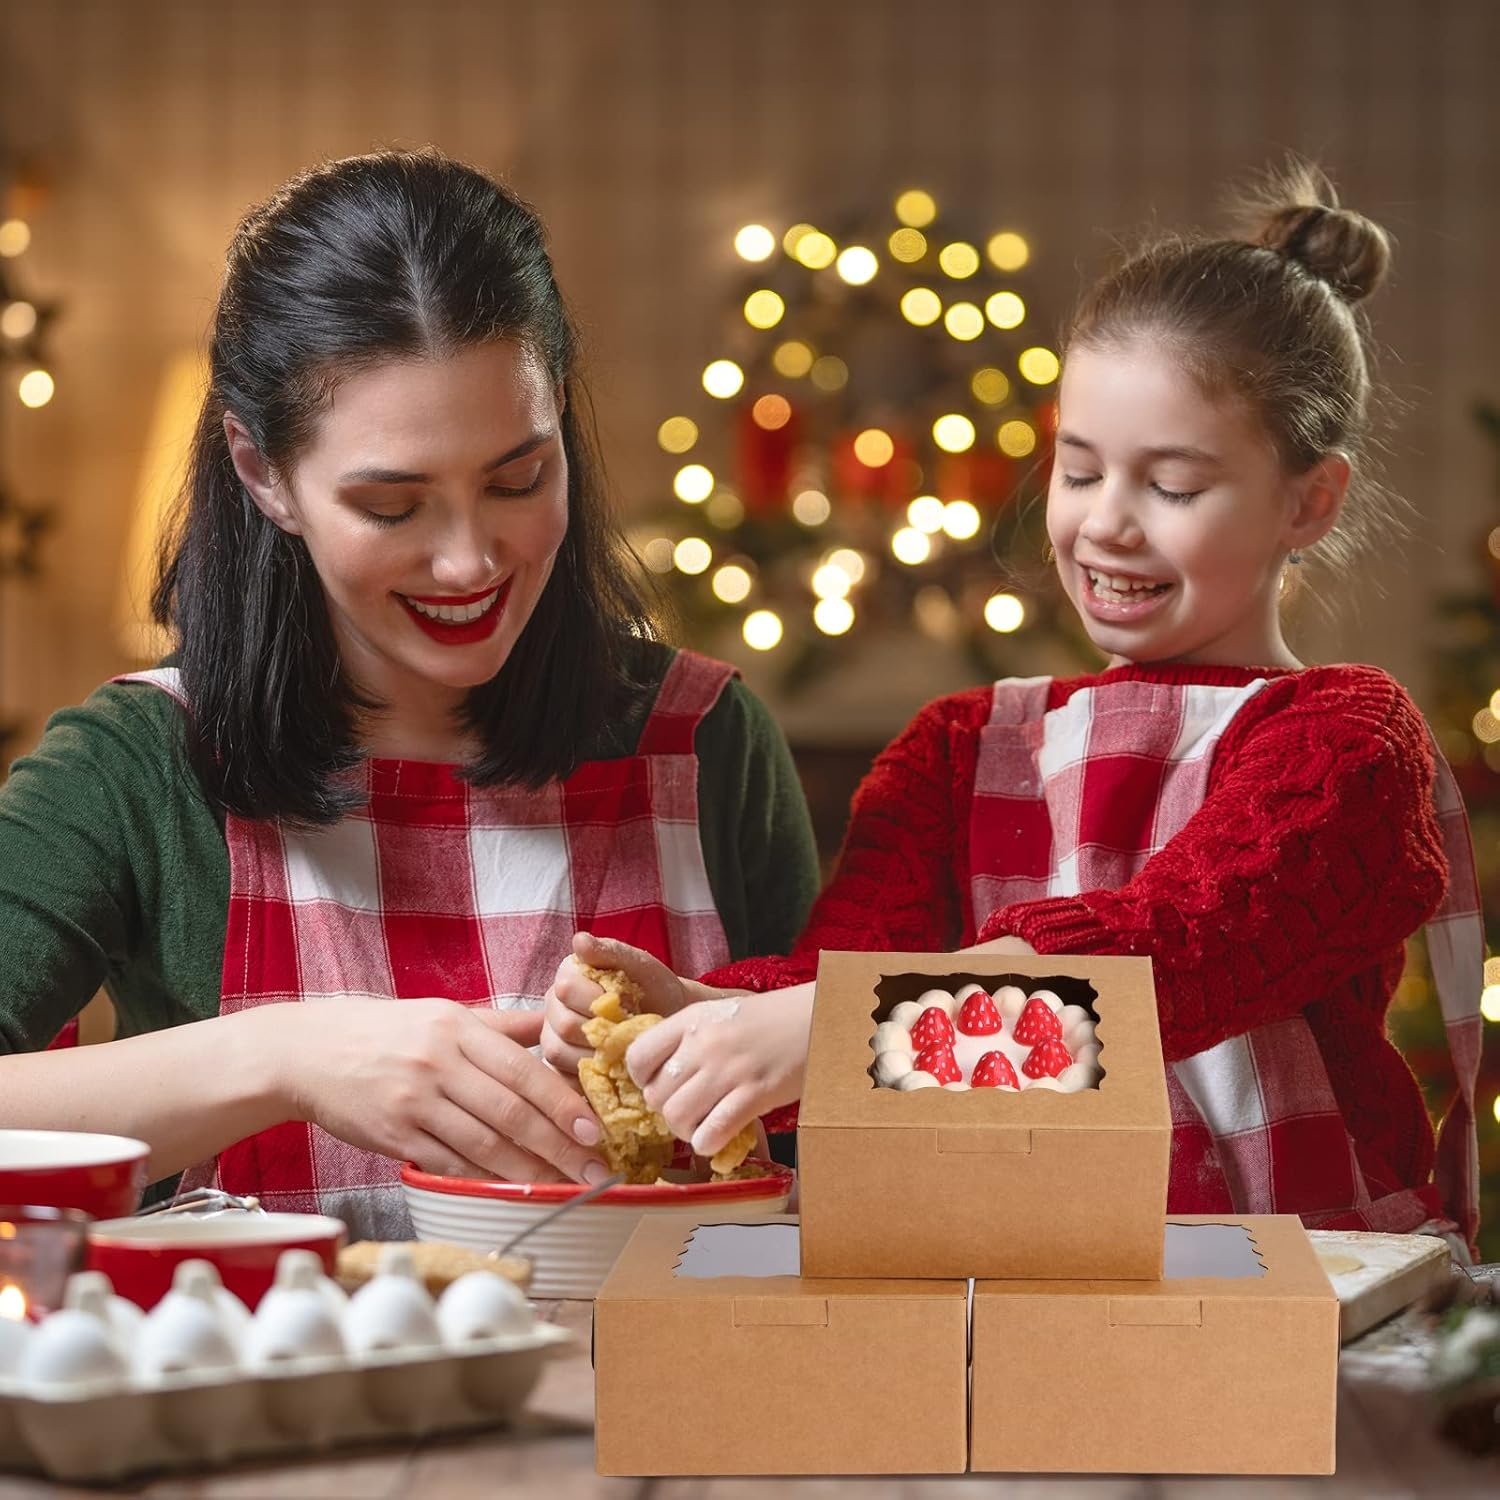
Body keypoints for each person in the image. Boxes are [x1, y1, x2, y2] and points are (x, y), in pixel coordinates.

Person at [545, 162, 1485, 1252]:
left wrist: (825, 1029)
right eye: (1079, 472)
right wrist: (707, 1014)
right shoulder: (958, 748)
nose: (1106, 526)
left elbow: (1158, 968)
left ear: (1311, 501)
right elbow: (836, 982)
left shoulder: (1347, 741)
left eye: (1172, 487)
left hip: (1293, 1289)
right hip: (1023, 1272)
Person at [0, 150, 819, 1238]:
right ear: (261, 472)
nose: (469, 560)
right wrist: (284, 1057)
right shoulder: (140, 763)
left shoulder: (708, 740)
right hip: (274, 1408)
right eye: (393, 507)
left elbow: (844, 1145)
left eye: (519, 478)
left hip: (671, 1403)